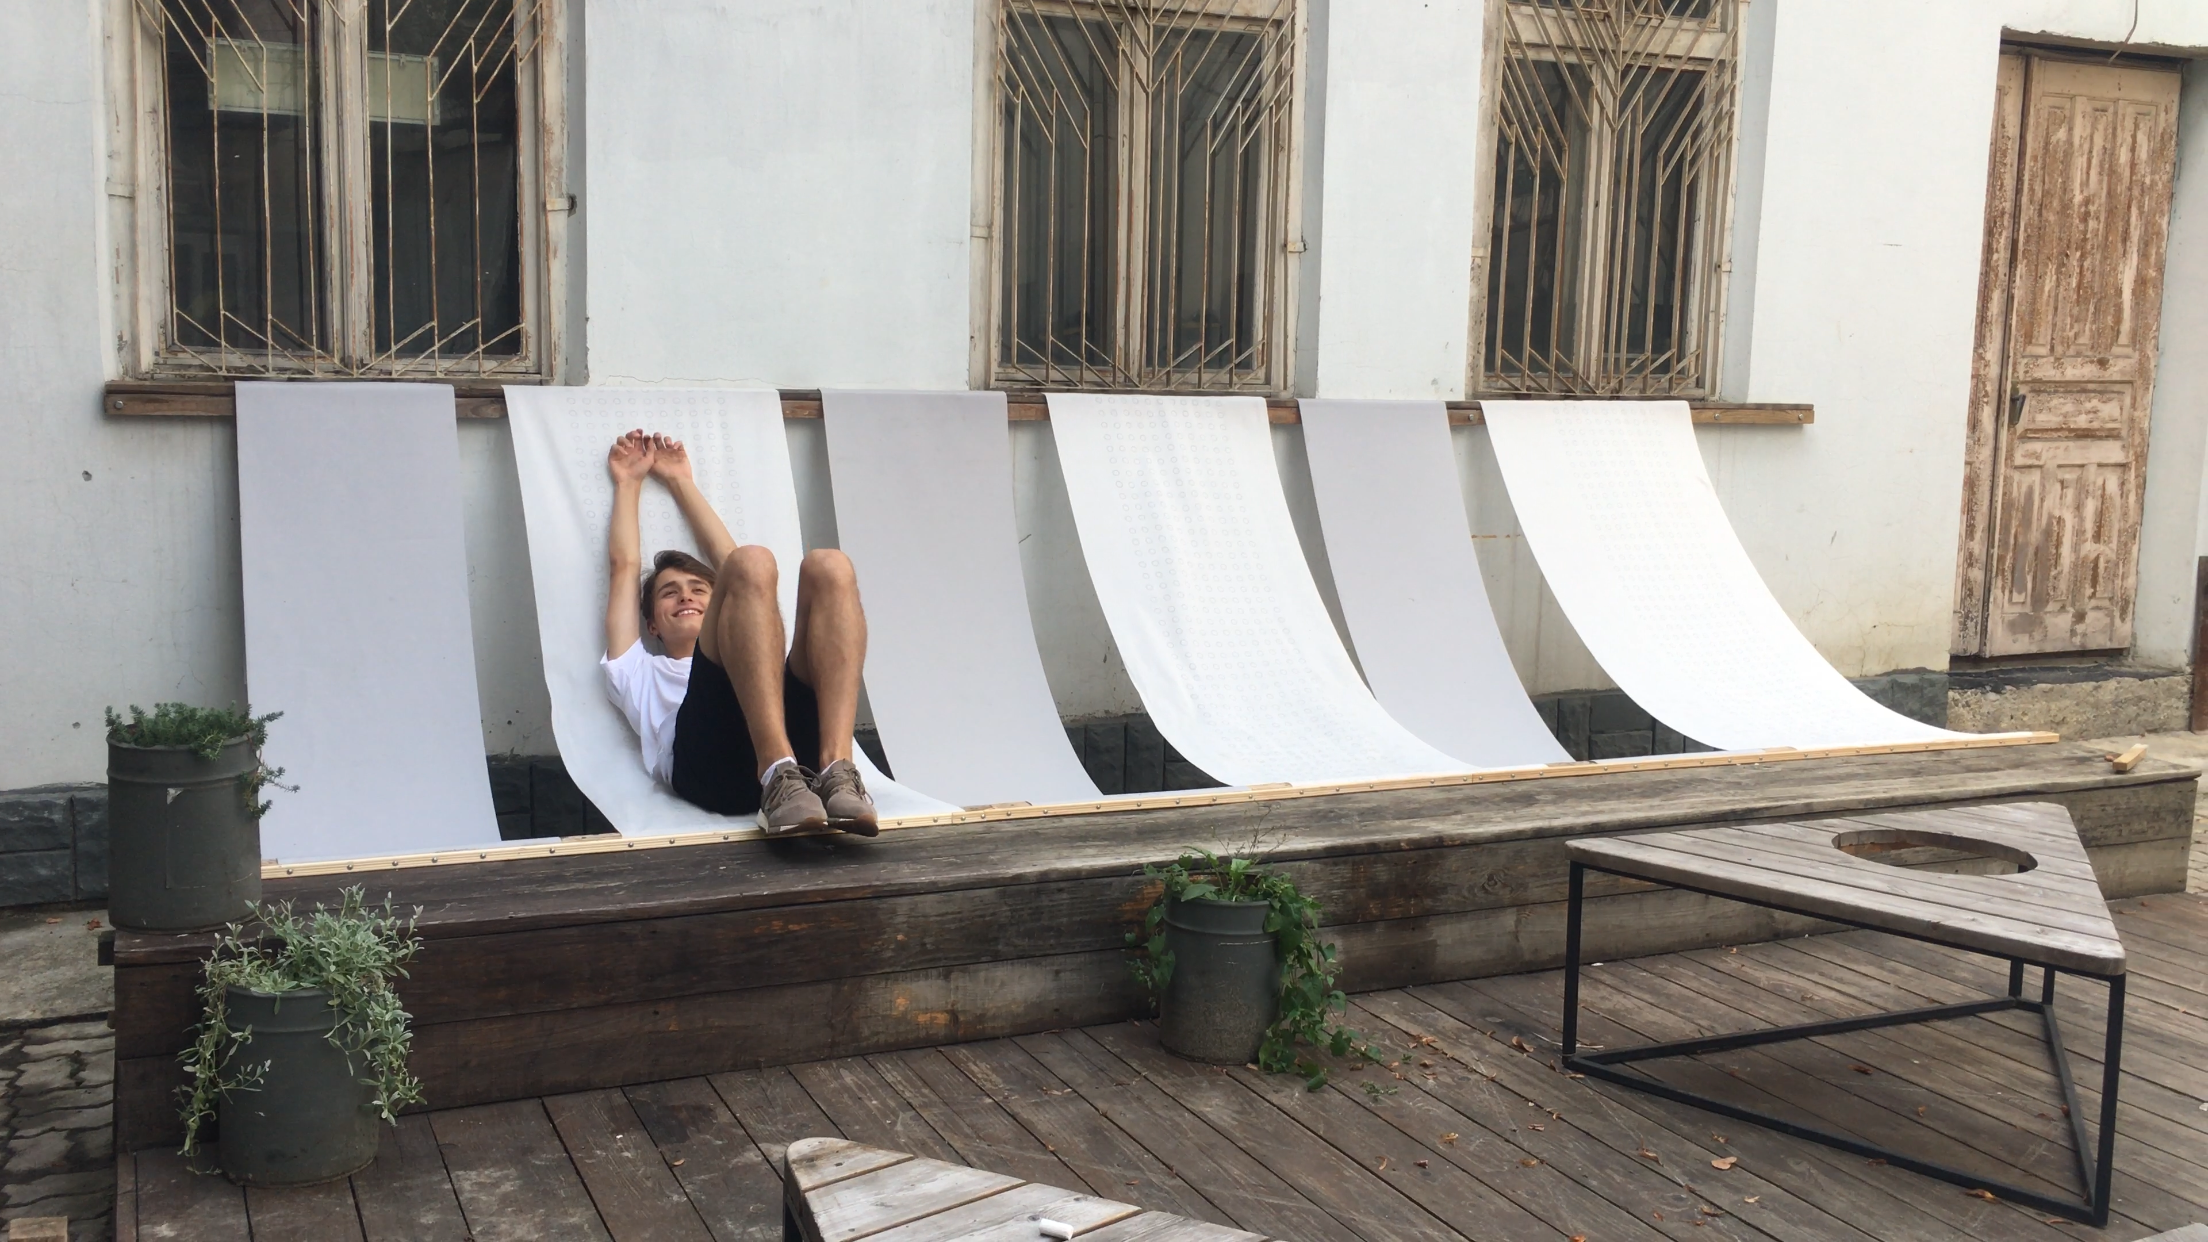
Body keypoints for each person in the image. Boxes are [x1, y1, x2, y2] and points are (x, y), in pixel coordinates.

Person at [600, 429, 877, 835]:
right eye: (669, 593)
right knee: (748, 562)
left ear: (724, 606)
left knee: (831, 567)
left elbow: (738, 568)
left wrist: (680, 481)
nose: (686, 596)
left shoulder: (748, 626)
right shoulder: (636, 669)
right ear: (652, 623)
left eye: (699, 589)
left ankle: (837, 771)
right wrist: (628, 483)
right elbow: (624, 567)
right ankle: (776, 772)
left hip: (802, 763)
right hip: (712, 772)